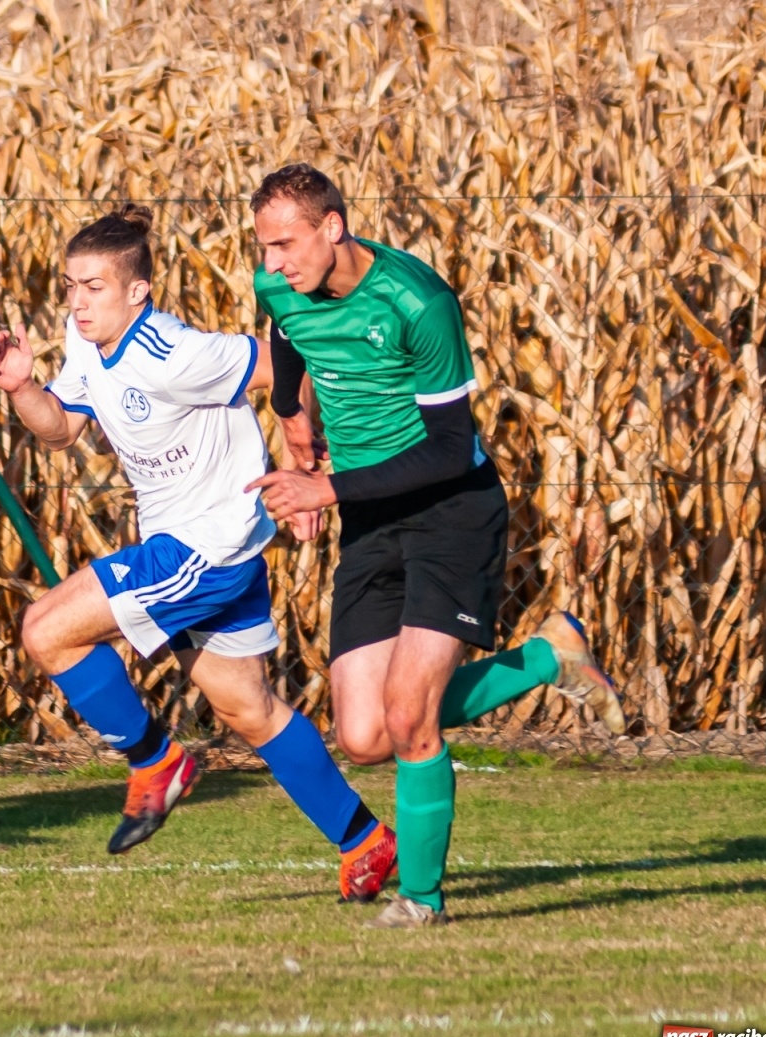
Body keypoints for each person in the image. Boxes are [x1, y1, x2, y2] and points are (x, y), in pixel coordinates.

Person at [246, 165, 625, 927]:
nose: (273, 264)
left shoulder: (418, 301)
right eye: (264, 247)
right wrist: (293, 420)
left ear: (333, 227)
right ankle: (547, 657)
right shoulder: (280, 286)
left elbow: (451, 450)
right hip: (370, 518)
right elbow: (285, 337)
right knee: (364, 736)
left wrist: (326, 490)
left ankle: (420, 900)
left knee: (410, 716)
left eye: (285, 244)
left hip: (452, 513)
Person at [0, 205, 398, 902]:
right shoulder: (85, 340)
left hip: (206, 547)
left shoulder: (174, 352)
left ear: (137, 291)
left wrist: (306, 450)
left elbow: (288, 359)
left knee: (45, 630)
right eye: (71, 286)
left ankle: (155, 761)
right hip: (198, 546)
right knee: (250, 711)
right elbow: (60, 430)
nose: (78, 302)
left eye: (94, 288)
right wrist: (23, 387)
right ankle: (364, 839)